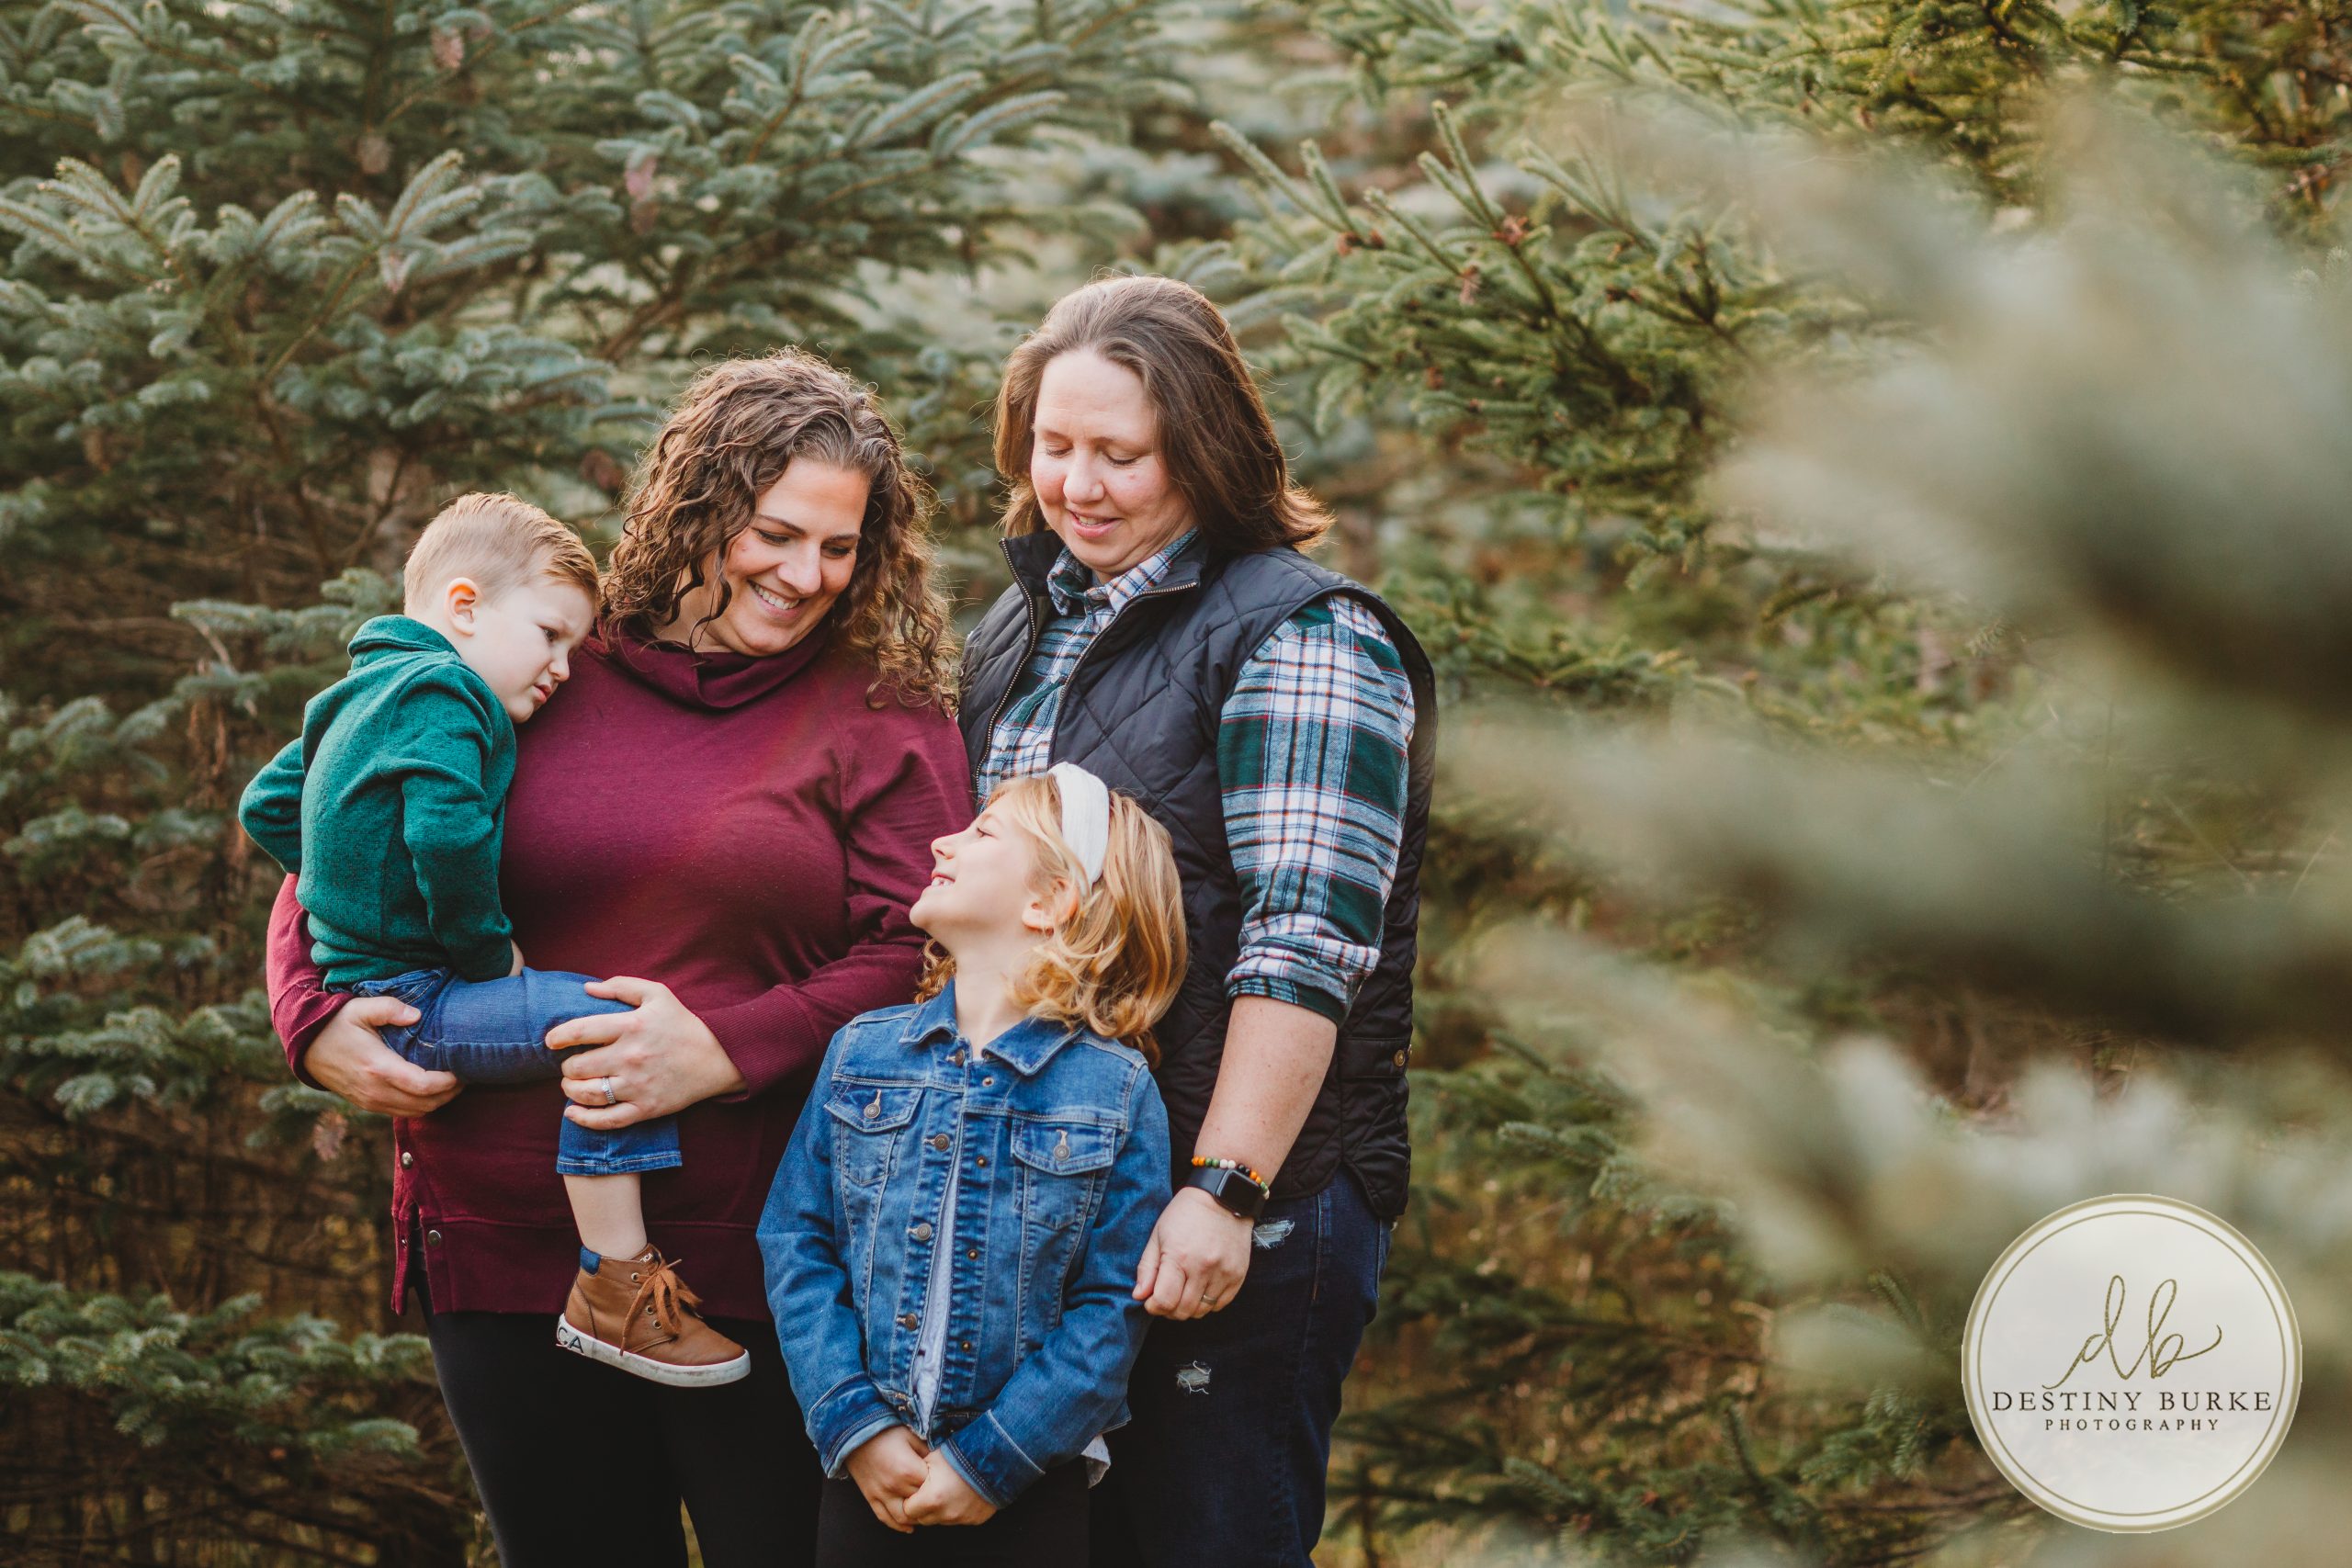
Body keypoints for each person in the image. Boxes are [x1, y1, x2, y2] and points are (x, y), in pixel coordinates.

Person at [262, 349, 972, 1568]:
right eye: (775, 532)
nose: (806, 575)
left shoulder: (880, 712)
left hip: (768, 1256)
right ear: (698, 503)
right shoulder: (544, 667)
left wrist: (725, 1050)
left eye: (841, 546)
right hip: (501, 1231)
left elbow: (920, 950)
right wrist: (311, 1012)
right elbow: (345, 819)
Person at [957, 275, 1438, 1567]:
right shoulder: (1020, 628)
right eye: (1055, 447)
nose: (1079, 484)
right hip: (1055, 1187)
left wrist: (1224, 1187)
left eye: (1122, 454)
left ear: (1205, 452)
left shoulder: (1303, 632)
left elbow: (1306, 936)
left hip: (1237, 1199)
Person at [240, 492, 751, 1387]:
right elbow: (446, 834)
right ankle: (616, 1284)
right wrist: (483, 954)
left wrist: (352, 897)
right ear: (464, 606)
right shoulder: (447, 692)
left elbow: (271, 807)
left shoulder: (352, 693)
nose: (561, 666)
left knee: (598, 1025)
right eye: (550, 635)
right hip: (421, 995)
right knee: (610, 1026)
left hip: (376, 986)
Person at [760, 764, 1182, 1567]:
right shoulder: (861, 1052)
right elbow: (796, 1241)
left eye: (982, 832)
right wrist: (854, 1424)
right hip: (866, 1478)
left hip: (1027, 1488)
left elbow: (1111, 1307)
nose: (941, 841)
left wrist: (992, 1460)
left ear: (1050, 901)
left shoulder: (1117, 1090)